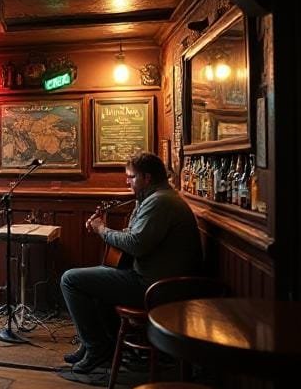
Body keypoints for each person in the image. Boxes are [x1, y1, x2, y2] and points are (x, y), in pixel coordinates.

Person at [60, 152, 203, 373]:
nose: (127, 181)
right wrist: (110, 231)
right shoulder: (154, 198)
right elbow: (137, 235)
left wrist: (101, 229)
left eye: (131, 177)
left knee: (70, 280)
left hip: (156, 288)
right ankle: (96, 346)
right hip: (154, 280)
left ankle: (98, 349)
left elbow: (136, 244)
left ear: (146, 178)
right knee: (94, 281)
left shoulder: (161, 202)